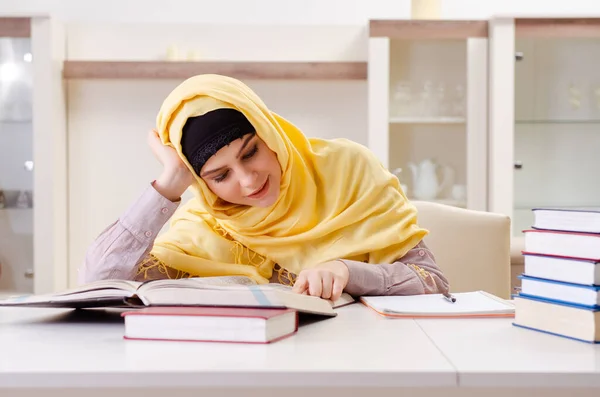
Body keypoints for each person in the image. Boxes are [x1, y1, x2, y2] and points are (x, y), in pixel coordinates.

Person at [79, 74, 449, 301]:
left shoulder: (348, 169)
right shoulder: (204, 222)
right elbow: (98, 279)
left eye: (251, 152)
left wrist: (346, 271)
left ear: (270, 133)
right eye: (220, 176)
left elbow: (432, 283)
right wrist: (171, 181)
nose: (248, 180)